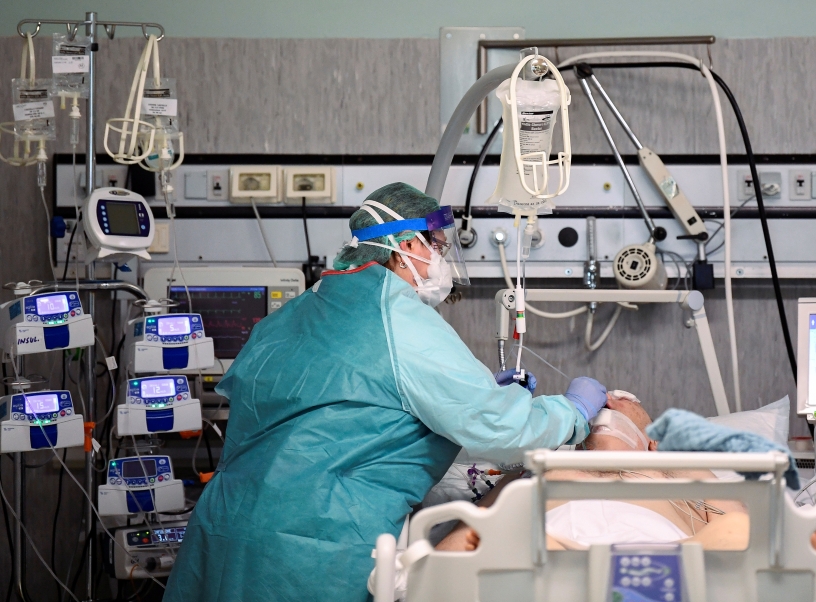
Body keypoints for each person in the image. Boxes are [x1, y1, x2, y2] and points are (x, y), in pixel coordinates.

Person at [163, 182, 608, 602]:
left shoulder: (294, 312)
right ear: (408, 245)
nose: (442, 259)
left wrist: (466, 395)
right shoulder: (399, 320)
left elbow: (338, 413)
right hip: (314, 548)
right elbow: (500, 426)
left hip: (221, 530)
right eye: (438, 246)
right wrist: (573, 411)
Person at [437, 392, 816, 553]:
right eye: (596, 406)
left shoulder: (677, 470)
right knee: (495, 543)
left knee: (737, 533)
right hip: (549, 548)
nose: (609, 402)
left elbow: (742, 522)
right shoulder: (544, 468)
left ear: (652, 441)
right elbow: (473, 527)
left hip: (667, 555)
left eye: (626, 401)